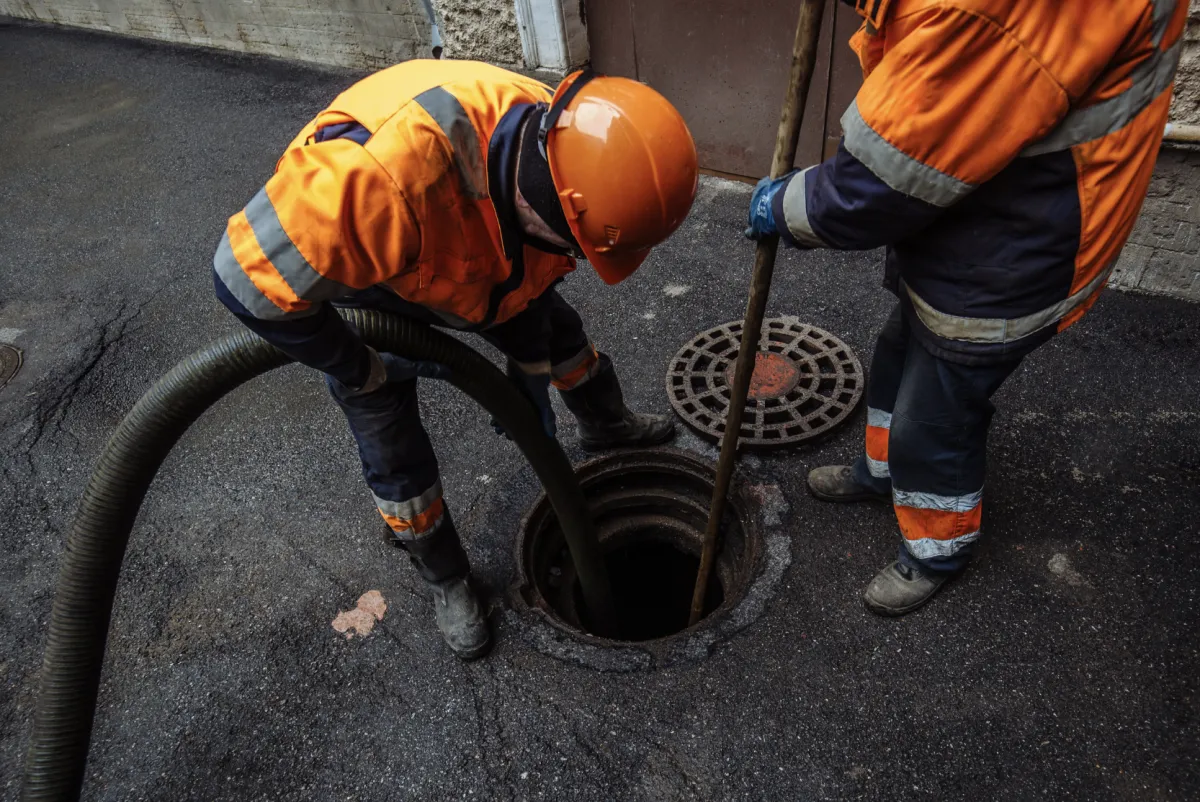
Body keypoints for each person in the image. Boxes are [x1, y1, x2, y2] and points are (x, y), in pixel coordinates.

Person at [213, 61, 698, 658]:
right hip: (382, 275)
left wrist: (529, 378)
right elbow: (240, 279)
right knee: (388, 433)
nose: (580, 256)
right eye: (580, 244)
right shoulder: (372, 181)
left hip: (480, 254)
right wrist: (355, 363)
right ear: (551, 205)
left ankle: (605, 424)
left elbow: (535, 287)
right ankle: (445, 577)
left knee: (558, 333)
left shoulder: (572, 145)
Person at [747, 0, 1188, 615]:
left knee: (935, 416)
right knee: (898, 349)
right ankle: (881, 472)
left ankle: (936, 547)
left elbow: (879, 182)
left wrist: (787, 206)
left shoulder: (991, 12)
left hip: (1019, 241)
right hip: (975, 206)